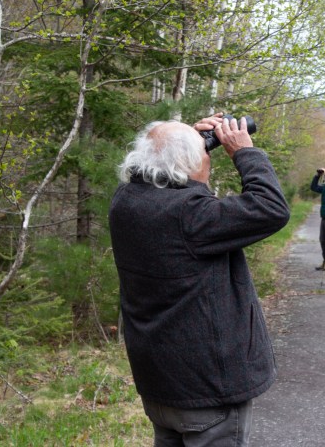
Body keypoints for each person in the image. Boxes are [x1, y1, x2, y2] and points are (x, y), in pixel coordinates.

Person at [109, 115, 290, 445]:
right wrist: (245, 153)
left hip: (161, 383)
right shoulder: (190, 214)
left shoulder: (125, 201)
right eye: (203, 154)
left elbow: (161, 176)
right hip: (207, 390)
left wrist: (184, 140)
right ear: (187, 163)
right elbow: (270, 207)